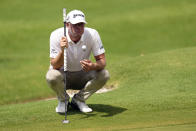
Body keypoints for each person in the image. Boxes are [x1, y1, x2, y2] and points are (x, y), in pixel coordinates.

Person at [46, 10, 110, 113]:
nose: (79, 28)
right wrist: (62, 51)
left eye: (81, 24)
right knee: (51, 76)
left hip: (83, 74)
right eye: (75, 25)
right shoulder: (56, 35)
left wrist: (92, 66)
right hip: (63, 75)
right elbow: (55, 66)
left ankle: (79, 100)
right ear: (67, 25)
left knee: (104, 74)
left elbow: (102, 62)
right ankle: (63, 101)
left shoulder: (92, 34)